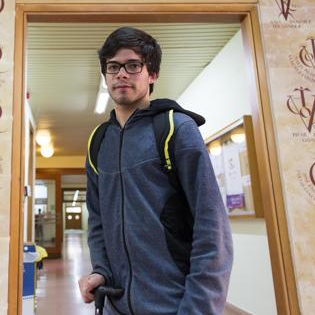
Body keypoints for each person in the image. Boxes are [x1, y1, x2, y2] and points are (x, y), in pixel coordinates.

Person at [78, 27, 233, 314]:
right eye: (113, 67)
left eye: (133, 65)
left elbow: (213, 228)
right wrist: (101, 270)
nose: (121, 74)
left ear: (152, 74)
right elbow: (98, 220)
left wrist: (197, 308)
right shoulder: (98, 142)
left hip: (174, 305)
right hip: (116, 304)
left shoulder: (177, 129)